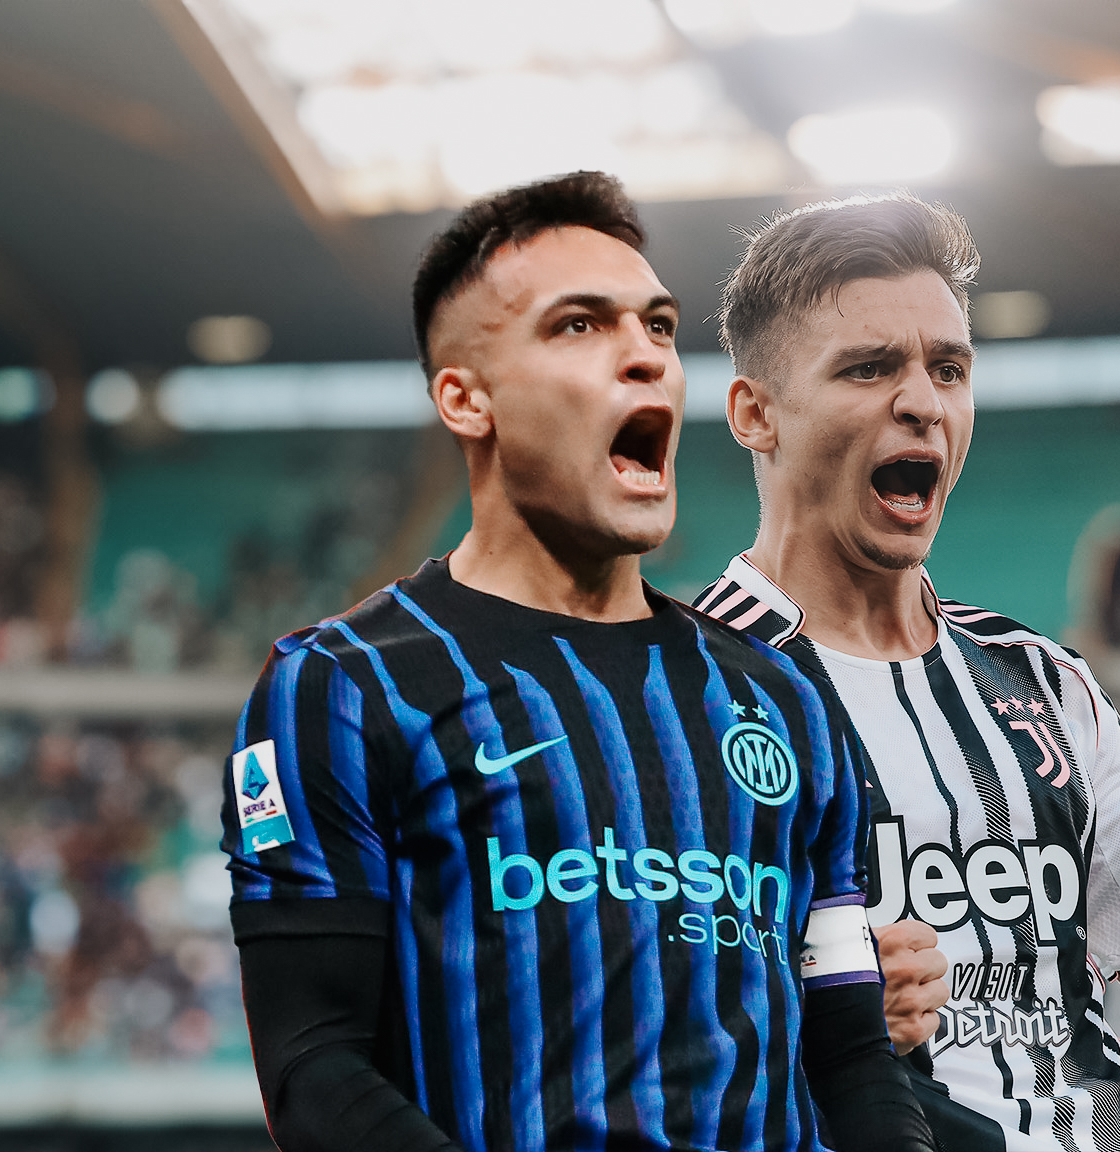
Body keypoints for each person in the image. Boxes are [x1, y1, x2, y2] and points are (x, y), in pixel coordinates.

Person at [221, 172, 935, 1152]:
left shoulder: (781, 698)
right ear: (466, 398)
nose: (645, 356)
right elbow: (315, 1067)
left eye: (658, 325)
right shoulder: (343, 688)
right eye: (579, 325)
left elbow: (852, 1054)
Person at [695, 193, 1120, 1152]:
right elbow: (630, 1034)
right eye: (869, 368)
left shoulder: (1042, 684)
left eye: (948, 368)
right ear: (757, 413)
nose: (922, 402)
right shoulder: (678, 692)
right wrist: (817, 1013)